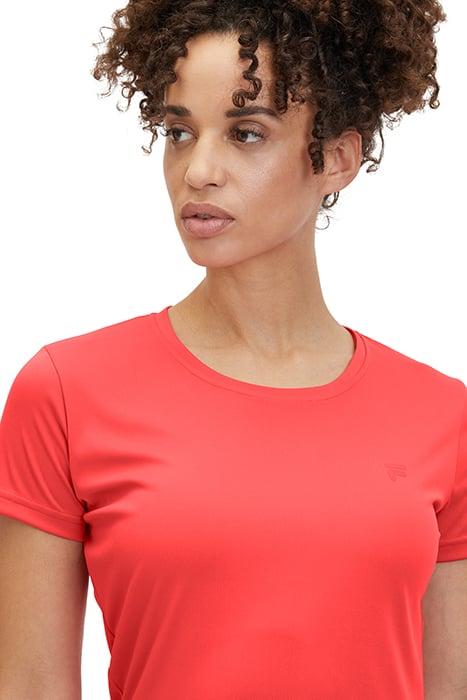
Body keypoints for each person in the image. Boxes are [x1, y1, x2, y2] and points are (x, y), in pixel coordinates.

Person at [1, 1, 466, 698]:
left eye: (246, 133)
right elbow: (31, 685)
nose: (198, 171)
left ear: (337, 158)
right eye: (178, 132)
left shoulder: (441, 415)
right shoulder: (66, 392)